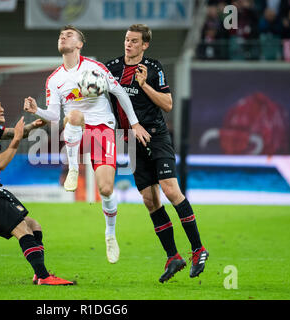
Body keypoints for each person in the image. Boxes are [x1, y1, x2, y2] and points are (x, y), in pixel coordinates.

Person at [23, 25, 151, 264]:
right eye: (61, 34)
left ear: (79, 44)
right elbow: (52, 115)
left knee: (105, 189)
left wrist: (133, 124)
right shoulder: (55, 79)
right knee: (72, 115)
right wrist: (36, 110)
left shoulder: (95, 69)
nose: (63, 36)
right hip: (77, 131)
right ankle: (73, 168)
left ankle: (110, 233)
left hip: (102, 129)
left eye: (69, 35)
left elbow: (121, 94)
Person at [105, 24, 209, 283]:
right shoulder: (111, 68)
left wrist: (144, 85)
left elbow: (168, 104)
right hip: (129, 141)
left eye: (134, 41)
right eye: (126, 39)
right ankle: (173, 256)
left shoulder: (153, 68)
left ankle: (198, 249)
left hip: (155, 135)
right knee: (150, 200)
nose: (128, 44)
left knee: (171, 190)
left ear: (145, 45)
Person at [0, 92, 74, 286]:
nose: (2, 108)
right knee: (22, 228)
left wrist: (34, 125)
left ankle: (39, 273)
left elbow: (19, 132)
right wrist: (15, 140)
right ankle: (43, 276)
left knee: (33, 225)